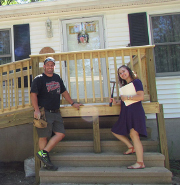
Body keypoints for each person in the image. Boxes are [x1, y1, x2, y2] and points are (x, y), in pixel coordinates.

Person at [30, 57, 82, 171]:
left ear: (54, 66)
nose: (50, 67)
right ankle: (46, 163)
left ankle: (43, 153)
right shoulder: (39, 79)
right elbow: (33, 94)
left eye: (52, 65)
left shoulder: (57, 78)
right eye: (48, 65)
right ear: (44, 66)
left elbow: (64, 92)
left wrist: (73, 103)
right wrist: (36, 110)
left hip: (56, 112)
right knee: (43, 136)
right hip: (44, 112)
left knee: (61, 134)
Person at [110, 65, 147, 169]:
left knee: (135, 135)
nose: (122, 74)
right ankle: (131, 147)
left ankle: (140, 163)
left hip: (135, 112)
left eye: (123, 71)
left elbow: (140, 96)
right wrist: (116, 101)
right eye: (120, 73)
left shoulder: (136, 82)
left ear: (129, 71)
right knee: (116, 130)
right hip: (127, 112)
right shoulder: (125, 86)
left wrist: (127, 97)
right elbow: (125, 101)